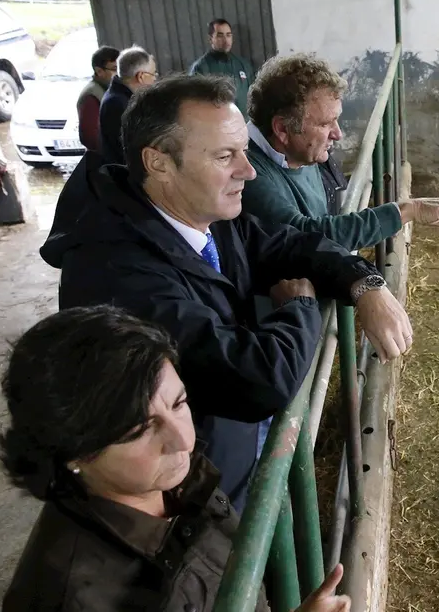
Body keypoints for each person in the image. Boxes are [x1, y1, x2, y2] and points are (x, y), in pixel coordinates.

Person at [39, 75, 413, 510]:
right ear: (159, 163)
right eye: (225, 156)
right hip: (186, 500)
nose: (249, 171)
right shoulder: (119, 274)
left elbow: (290, 246)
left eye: (243, 151)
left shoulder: (202, 214)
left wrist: (364, 283)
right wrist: (302, 307)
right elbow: (257, 378)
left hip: (224, 458)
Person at [0, 305, 352, 611]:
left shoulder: (171, 483)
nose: (184, 439)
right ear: (73, 453)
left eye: (178, 403)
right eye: (138, 431)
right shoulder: (74, 597)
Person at [242, 52, 439, 250]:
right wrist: (409, 209)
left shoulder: (300, 151)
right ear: (282, 129)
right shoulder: (247, 173)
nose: (338, 134)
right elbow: (306, 235)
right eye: (325, 124)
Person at [99, 45, 158, 165]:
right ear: (141, 76)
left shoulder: (124, 97)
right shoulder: (117, 104)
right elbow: (129, 150)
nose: (155, 80)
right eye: (153, 74)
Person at [189, 18, 257, 119]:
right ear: (210, 39)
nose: (226, 40)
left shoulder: (242, 64)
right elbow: (196, 103)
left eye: (228, 35)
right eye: (220, 35)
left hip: (245, 124)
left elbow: (253, 94)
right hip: (219, 127)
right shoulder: (201, 68)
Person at [76, 45, 119, 153]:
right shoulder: (91, 95)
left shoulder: (111, 89)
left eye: (120, 68)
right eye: (114, 69)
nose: (119, 73)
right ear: (99, 71)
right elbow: (90, 138)